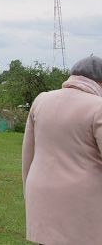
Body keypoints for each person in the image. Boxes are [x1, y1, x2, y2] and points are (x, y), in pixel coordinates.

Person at [22, 55, 102, 244]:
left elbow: (28, 155)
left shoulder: (41, 100)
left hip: (41, 195)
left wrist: (28, 192)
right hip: (84, 203)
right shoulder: (98, 107)